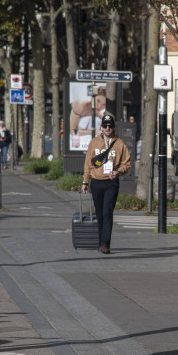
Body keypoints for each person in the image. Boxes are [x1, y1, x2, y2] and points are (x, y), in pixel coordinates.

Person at [81, 114, 131, 254]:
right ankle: (100, 241)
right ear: (101, 127)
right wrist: (85, 181)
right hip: (96, 182)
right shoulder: (94, 143)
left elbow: (126, 164)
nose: (108, 128)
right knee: (99, 214)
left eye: (110, 126)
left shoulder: (120, 144)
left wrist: (118, 172)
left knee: (107, 212)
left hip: (111, 183)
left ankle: (105, 244)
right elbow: (88, 164)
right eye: (105, 126)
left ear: (114, 127)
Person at [69, 85, 107, 150]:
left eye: (104, 104)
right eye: (98, 101)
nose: (99, 106)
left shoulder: (99, 114)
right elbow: (73, 132)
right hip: (78, 145)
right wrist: (94, 132)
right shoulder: (80, 106)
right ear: (93, 98)